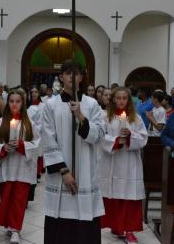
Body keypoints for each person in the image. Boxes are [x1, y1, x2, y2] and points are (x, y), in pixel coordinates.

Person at [42, 60, 106, 244]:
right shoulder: (51, 105)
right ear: (61, 77)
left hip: (85, 171)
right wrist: (64, 170)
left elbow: (99, 135)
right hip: (61, 175)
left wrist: (80, 116)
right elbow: (47, 138)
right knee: (60, 223)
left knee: (85, 226)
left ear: (81, 77)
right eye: (67, 73)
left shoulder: (92, 104)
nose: (71, 76)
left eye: (76, 73)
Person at [0, 89, 41, 244]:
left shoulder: (29, 122)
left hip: (24, 168)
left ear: (23, 103)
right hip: (7, 166)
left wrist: (22, 145)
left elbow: (37, 143)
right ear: (7, 103)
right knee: (8, 197)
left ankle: (16, 229)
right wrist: (4, 148)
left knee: (19, 199)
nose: (15, 104)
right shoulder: (0, 123)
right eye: (11, 101)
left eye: (18, 101)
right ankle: (10, 225)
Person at [98, 87, 148, 243]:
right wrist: (117, 140)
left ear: (129, 100)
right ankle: (117, 226)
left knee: (129, 197)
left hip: (129, 163)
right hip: (113, 161)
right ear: (113, 99)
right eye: (118, 98)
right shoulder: (105, 117)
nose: (121, 101)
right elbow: (101, 136)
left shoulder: (136, 119)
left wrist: (130, 136)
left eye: (124, 98)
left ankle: (130, 230)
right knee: (114, 197)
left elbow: (143, 138)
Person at [27, 85, 45, 201]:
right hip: (30, 132)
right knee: (33, 153)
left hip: (41, 131)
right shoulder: (28, 107)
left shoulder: (43, 105)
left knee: (40, 153)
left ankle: (38, 172)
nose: (34, 94)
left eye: (36, 92)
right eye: (32, 92)